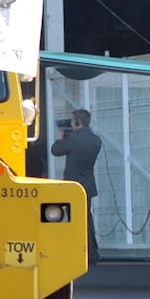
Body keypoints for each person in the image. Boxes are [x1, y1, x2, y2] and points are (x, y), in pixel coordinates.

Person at [51, 109, 101, 265]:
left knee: (75, 220)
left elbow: (56, 150)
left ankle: (81, 253)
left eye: (72, 120)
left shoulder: (73, 139)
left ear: (77, 122)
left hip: (74, 186)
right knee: (87, 219)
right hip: (88, 185)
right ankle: (92, 254)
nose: (70, 123)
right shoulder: (95, 140)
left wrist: (60, 138)